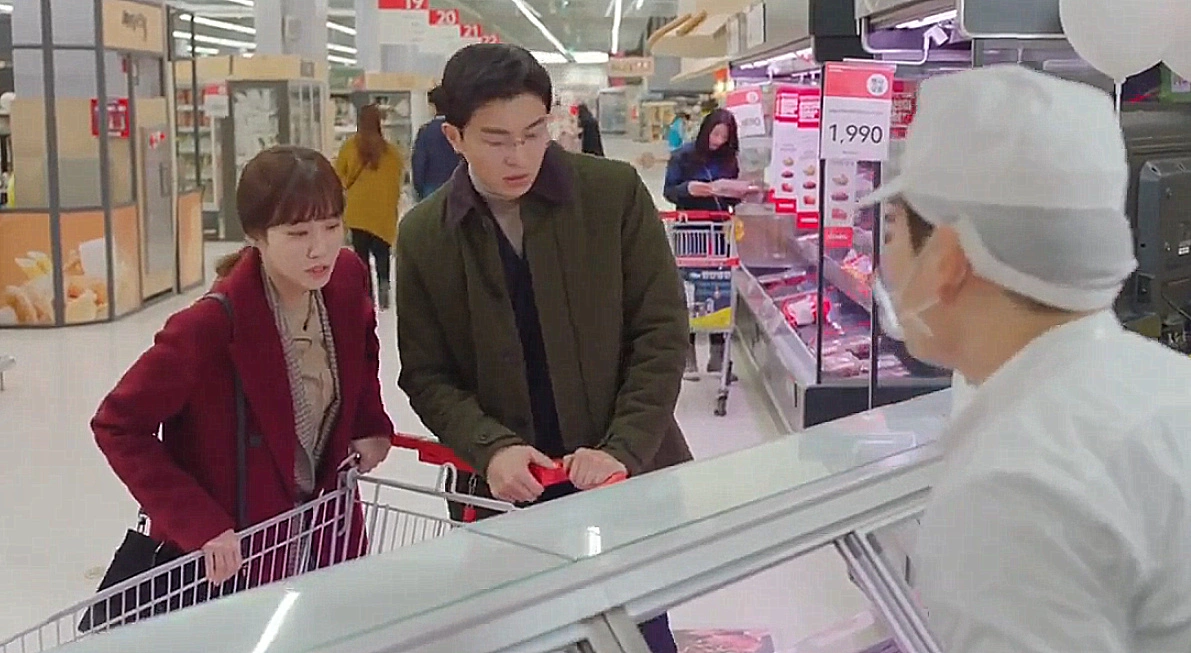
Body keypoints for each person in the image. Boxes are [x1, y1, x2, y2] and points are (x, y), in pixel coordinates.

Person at [868, 65, 1191, 653]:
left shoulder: (1013, 487)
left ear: (948, 257)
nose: (884, 258)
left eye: (891, 229)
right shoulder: (1166, 385)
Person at [396, 43, 690, 653]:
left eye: (534, 133)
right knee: (525, 635)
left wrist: (622, 449)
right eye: (496, 139)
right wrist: (490, 448)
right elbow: (427, 374)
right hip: (506, 494)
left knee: (636, 631)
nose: (520, 155)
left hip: (622, 477)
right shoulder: (426, 235)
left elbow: (660, 333)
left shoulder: (611, 194)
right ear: (454, 137)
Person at [93, 145, 394, 587]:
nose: (320, 249)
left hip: (327, 537)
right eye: (297, 233)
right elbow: (118, 425)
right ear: (257, 235)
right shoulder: (209, 326)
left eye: (332, 226)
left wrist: (369, 422)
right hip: (238, 559)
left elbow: (362, 350)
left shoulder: (346, 280)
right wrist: (198, 521)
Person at [663, 109, 742, 378]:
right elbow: (669, 191)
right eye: (715, 134)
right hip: (690, 230)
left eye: (724, 137)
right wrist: (688, 189)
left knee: (719, 288)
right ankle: (688, 355)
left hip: (719, 232)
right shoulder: (683, 156)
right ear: (706, 129)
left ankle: (718, 356)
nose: (718, 141)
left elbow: (732, 197)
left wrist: (738, 192)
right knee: (689, 288)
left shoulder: (729, 160)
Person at [335, 104, 404, 310]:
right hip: (382, 213)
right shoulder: (390, 152)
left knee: (361, 256)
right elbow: (397, 179)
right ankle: (384, 286)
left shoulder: (349, 148)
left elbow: (338, 176)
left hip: (358, 212)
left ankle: (367, 294)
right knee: (382, 254)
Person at [411, 86, 461, 201]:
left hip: (431, 188)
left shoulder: (426, 132)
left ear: (433, 106)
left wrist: (418, 189)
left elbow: (419, 163)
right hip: (458, 186)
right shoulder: (458, 129)